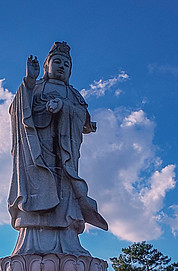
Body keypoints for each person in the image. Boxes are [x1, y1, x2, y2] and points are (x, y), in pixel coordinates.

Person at [8, 42, 108, 256]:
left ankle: (68, 242)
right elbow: (17, 111)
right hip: (38, 151)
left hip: (64, 154)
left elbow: (83, 118)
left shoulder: (73, 93)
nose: (62, 67)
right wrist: (29, 81)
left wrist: (64, 107)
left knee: (65, 187)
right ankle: (31, 240)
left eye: (66, 65)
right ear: (46, 66)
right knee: (39, 181)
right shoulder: (34, 87)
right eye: (57, 62)